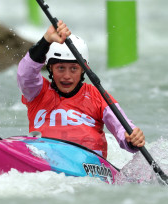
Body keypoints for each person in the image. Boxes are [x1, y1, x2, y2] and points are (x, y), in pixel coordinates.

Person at [17, 20, 145, 159]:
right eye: (60, 68)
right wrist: (46, 40)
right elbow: (25, 74)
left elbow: (121, 126)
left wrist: (130, 138)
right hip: (43, 157)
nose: (67, 76)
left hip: (88, 165)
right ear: (50, 68)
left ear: (83, 70)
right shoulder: (37, 92)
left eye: (74, 68)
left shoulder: (98, 95)